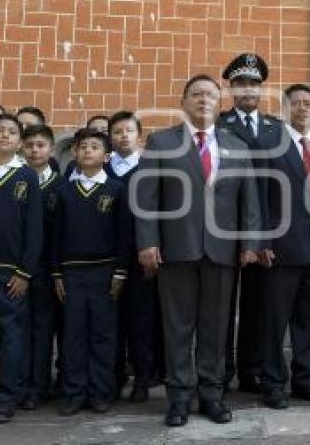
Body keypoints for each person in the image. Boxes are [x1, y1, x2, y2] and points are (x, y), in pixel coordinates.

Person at [134, 75, 262, 427]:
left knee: (216, 328)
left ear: (219, 102)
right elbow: (146, 198)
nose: (204, 100)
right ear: (183, 101)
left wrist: (251, 242)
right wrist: (147, 241)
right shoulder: (162, 142)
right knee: (177, 327)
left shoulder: (236, 145)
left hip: (223, 252)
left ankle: (211, 395)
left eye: (210, 95)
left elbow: (249, 199)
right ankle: (178, 397)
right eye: (196, 94)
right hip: (176, 250)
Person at [259, 84, 310, 409]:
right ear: (285, 109)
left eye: (308, 103)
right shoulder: (269, 145)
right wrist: (261, 240)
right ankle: (273, 383)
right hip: (279, 250)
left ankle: (305, 379)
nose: (303, 108)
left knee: (308, 322)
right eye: (296, 103)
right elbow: (259, 198)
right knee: (274, 323)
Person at [50, 128, 131, 415]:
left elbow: (125, 236)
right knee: (73, 335)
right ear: (74, 153)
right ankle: (74, 393)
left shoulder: (116, 189)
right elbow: (55, 236)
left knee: (103, 335)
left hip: (105, 273)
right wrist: (56, 273)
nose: (87, 151)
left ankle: (100, 392)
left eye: (95, 147)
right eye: (82, 147)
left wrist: (121, 271)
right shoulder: (64, 190)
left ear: (106, 156)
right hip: (71, 274)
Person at [216, 53, 280, 394]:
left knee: (257, 304)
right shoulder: (217, 127)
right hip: (224, 230)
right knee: (222, 305)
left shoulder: (276, 128)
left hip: (262, 231)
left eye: (254, 83)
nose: (248, 90)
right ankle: (221, 369)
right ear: (231, 89)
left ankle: (250, 369)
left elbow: (278, 187)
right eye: (241, 83)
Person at [0, 113, 43, 423]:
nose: (5, 135)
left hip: (12, 276)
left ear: (20, 142)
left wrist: (24, 272)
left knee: (11, 339)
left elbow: (34, 231)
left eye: (12, 132)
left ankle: (5, 400)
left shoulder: (26, 176)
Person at [106, 111, 161, 403]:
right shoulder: (101, 170)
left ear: (139, 135)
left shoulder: (149, 169)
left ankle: (143, 377)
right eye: (116, 131)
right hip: (108, 257)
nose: (122, 136)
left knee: (141, 321)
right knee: (112, 323)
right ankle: (114, 377)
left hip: (141, 257)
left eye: (128, 130)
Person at [19, 124, 62, 409]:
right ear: (22, 148)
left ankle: (40, 385)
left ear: (51, 149)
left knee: (44, 329)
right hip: (18, 267)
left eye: (41, 145)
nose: (35, 150)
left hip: (49, 268)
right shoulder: (17, 181)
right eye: (30, 145)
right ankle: (19, 384)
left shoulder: (61, 185)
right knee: (18, 329)